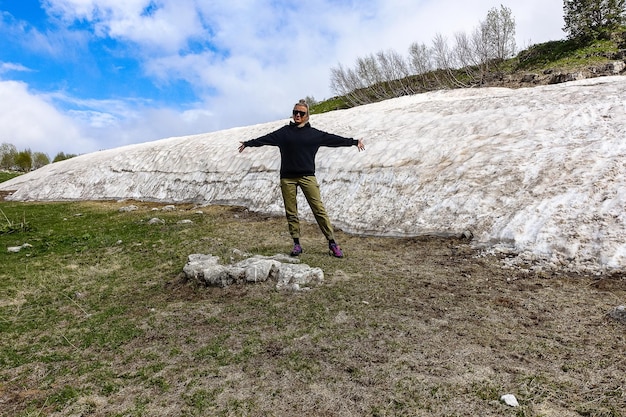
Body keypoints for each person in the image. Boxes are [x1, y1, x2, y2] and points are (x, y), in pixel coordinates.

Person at [238, 99, 365, 258]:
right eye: (295, 112)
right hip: (287, 178)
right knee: (291, 212)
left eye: (301, 113)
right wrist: (248, 144)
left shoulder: (315, 134)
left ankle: (332, 243)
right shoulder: (284, 132)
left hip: (307, 177)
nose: (297, 115)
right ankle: (296, 244)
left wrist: (353, 142)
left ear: (307, 116)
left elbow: (334, 139)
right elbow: (265, 139)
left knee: (318, 210)